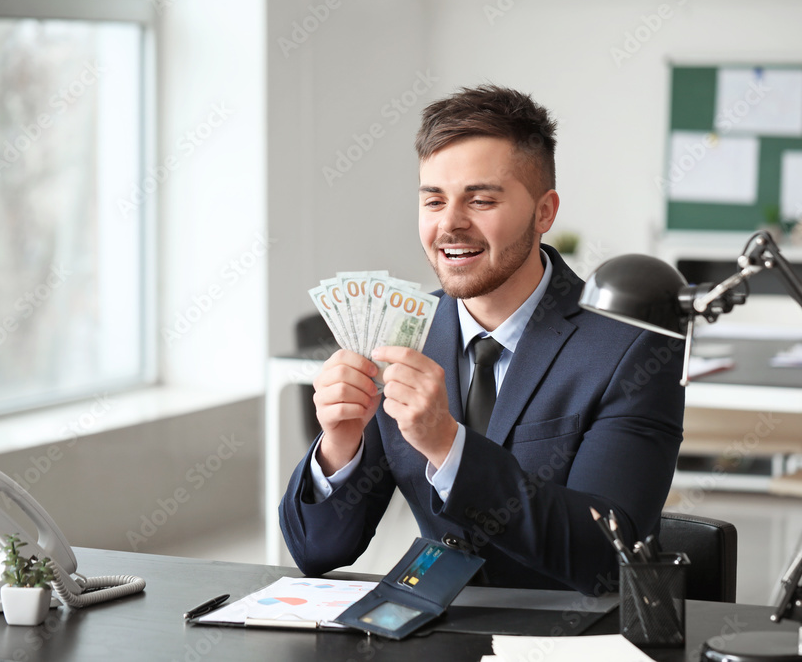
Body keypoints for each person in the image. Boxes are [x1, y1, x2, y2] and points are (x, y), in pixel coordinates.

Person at [280, 85, 684, 595]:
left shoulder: (633, 350)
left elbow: (605, 556)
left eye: (481, 200)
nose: (450, 224)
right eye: (434, 200)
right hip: (433, 622)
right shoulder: (402, 336)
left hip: (568, 629)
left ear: (544, 212)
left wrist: (447, 445)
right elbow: (318, 552)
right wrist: (340, 446)